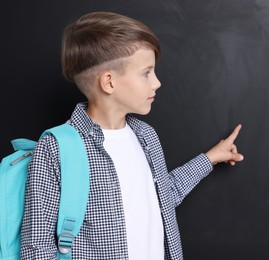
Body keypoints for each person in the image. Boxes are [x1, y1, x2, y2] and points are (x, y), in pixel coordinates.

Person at [21, 11, 243, 260]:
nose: (157, 82)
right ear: (109, 82)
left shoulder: (146, 136)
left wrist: (210, 158)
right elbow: (36, 250)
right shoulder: (55, 148)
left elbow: (162, 197)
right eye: (146, 73)